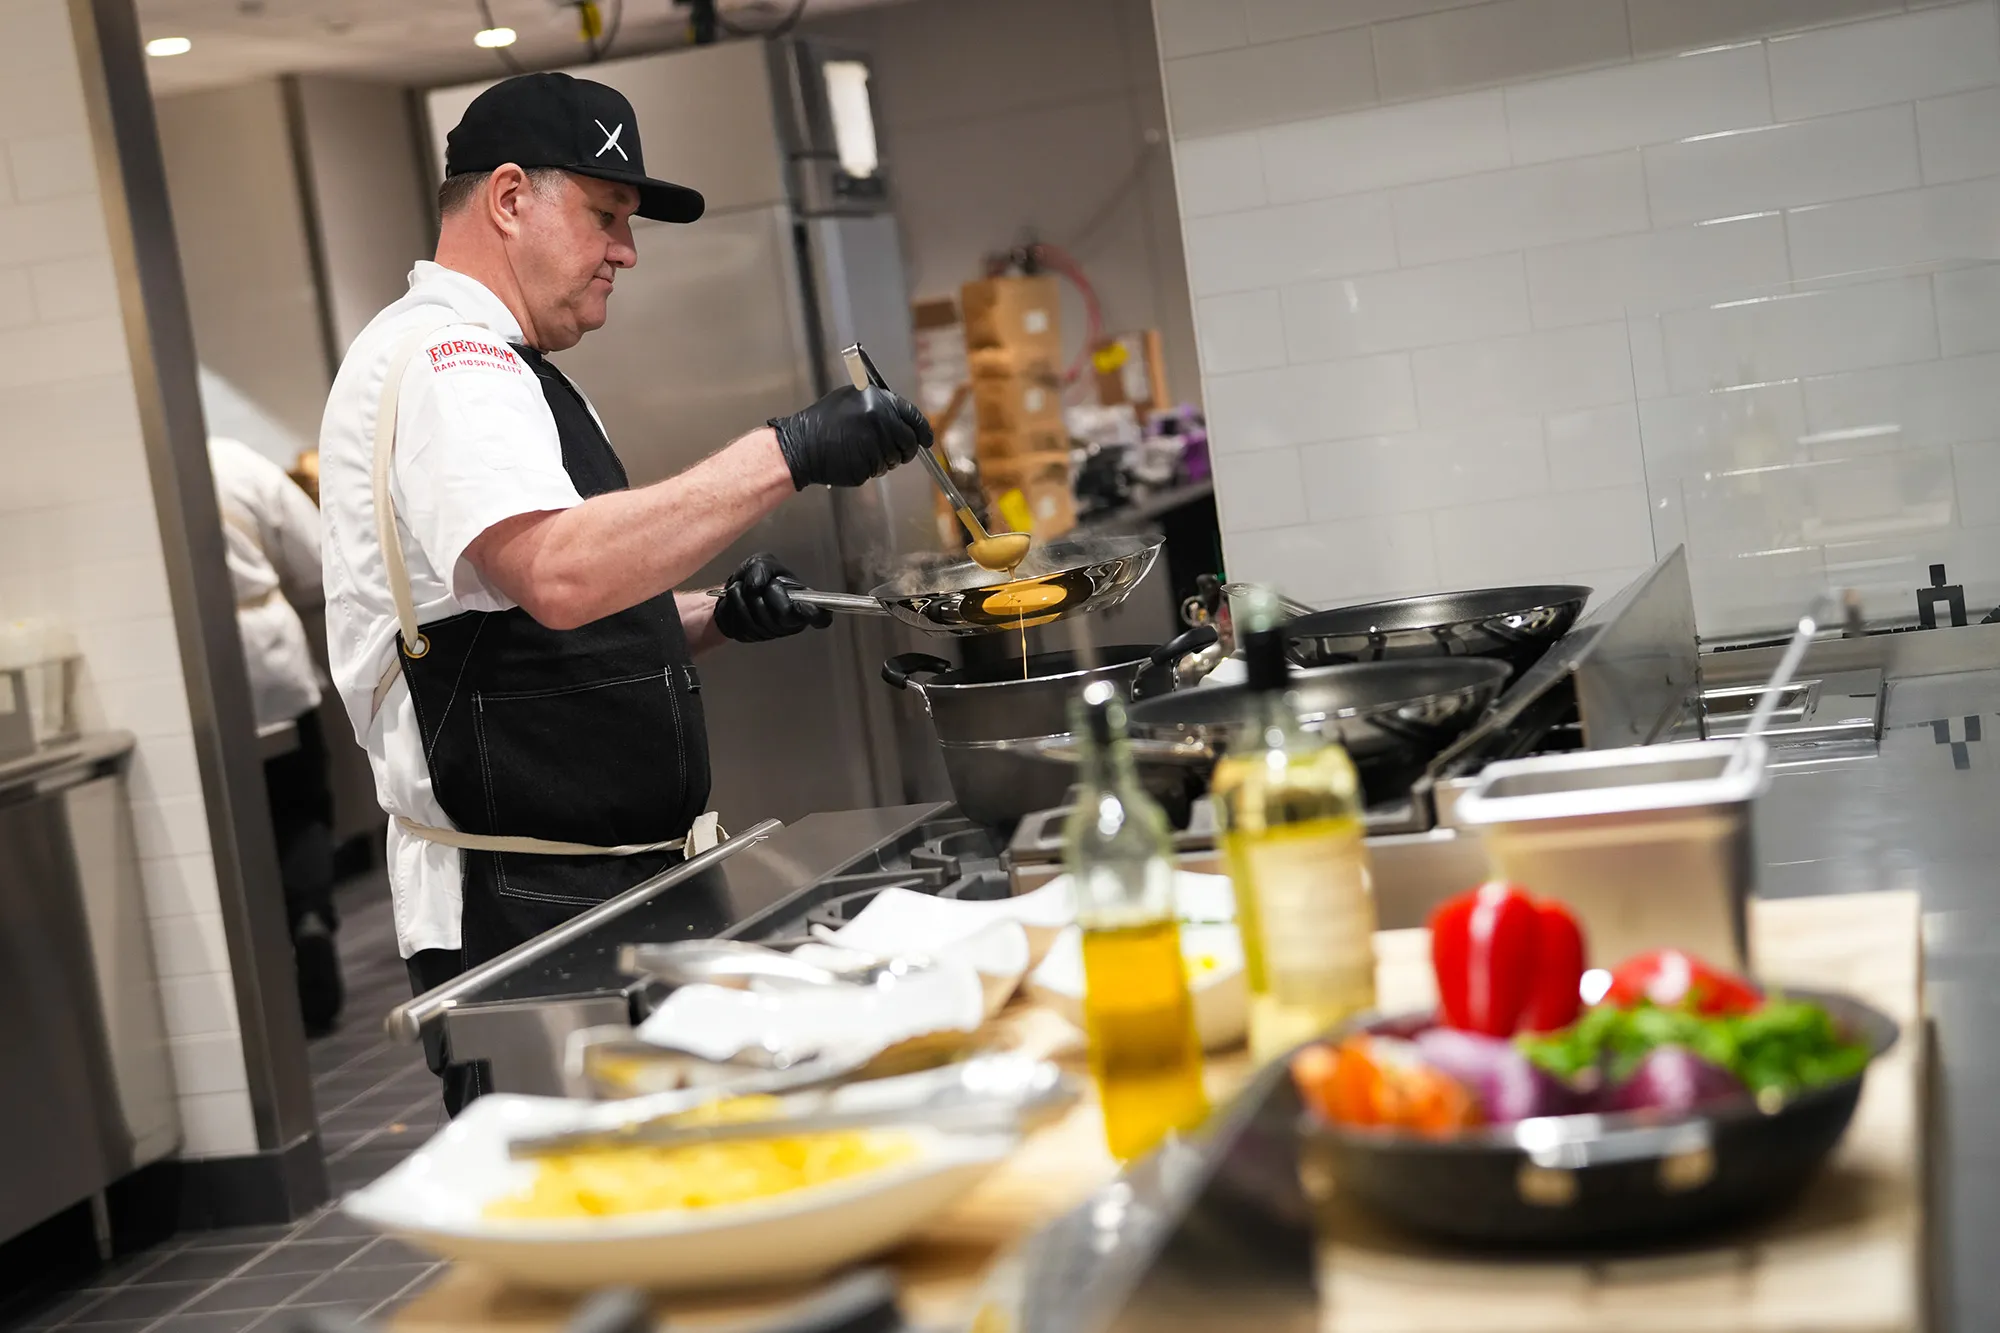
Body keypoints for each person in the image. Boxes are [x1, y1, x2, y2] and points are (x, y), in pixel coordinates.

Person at [316, 72, 930, 1112]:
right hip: (527, 903)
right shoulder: (444, 359)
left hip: (607, 883)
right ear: (509, 200)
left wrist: (710, 618)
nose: (624, 253)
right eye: (605, 217)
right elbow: (558, 574)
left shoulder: (515, 366)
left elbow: (525, 633)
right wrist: (787, 451)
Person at [208, 434, 345, 1034]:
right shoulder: (236, 460)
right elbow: (320, 559)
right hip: (267, 655)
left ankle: (247, 958)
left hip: (188, 671)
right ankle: (311, 917)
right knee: (298, 802)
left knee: (227, 822)